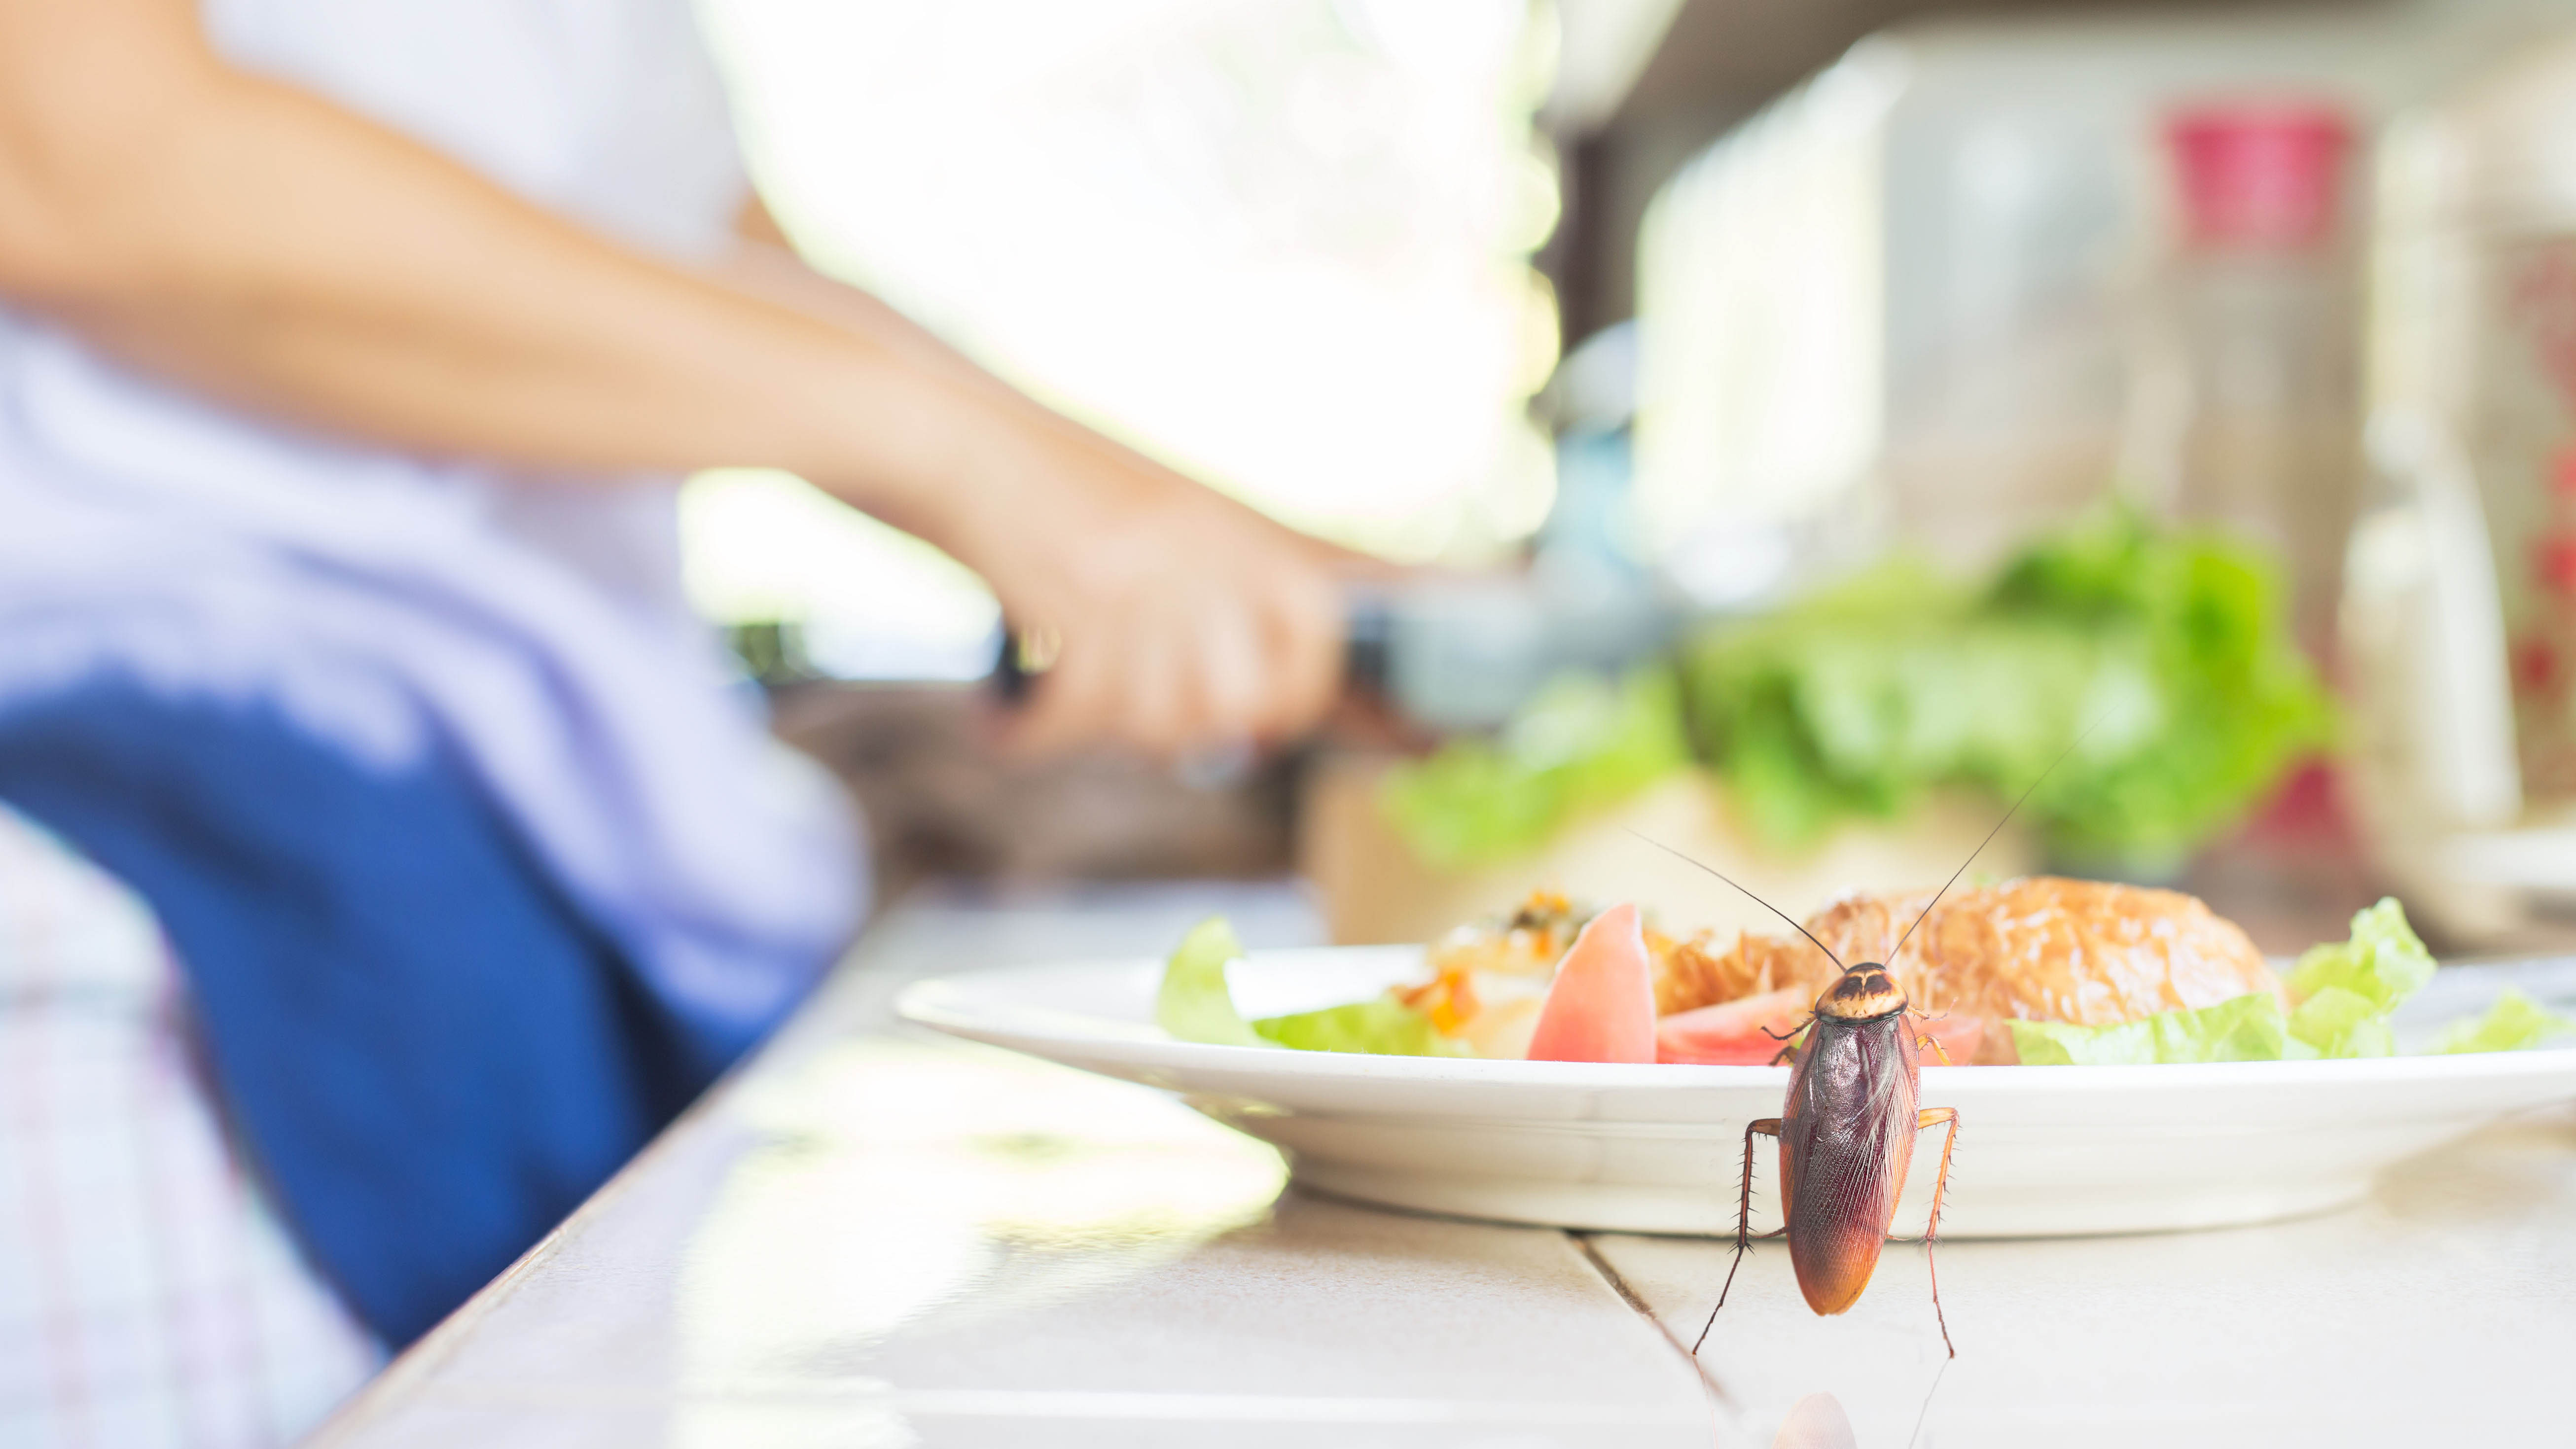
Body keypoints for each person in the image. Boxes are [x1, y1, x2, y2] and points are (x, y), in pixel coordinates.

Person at [0, 1, 1350, 1444]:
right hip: (121, 839)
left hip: (502, 799)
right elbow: (73, 160)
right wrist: (969, 459)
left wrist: (1264, 562)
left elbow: (715, 268)